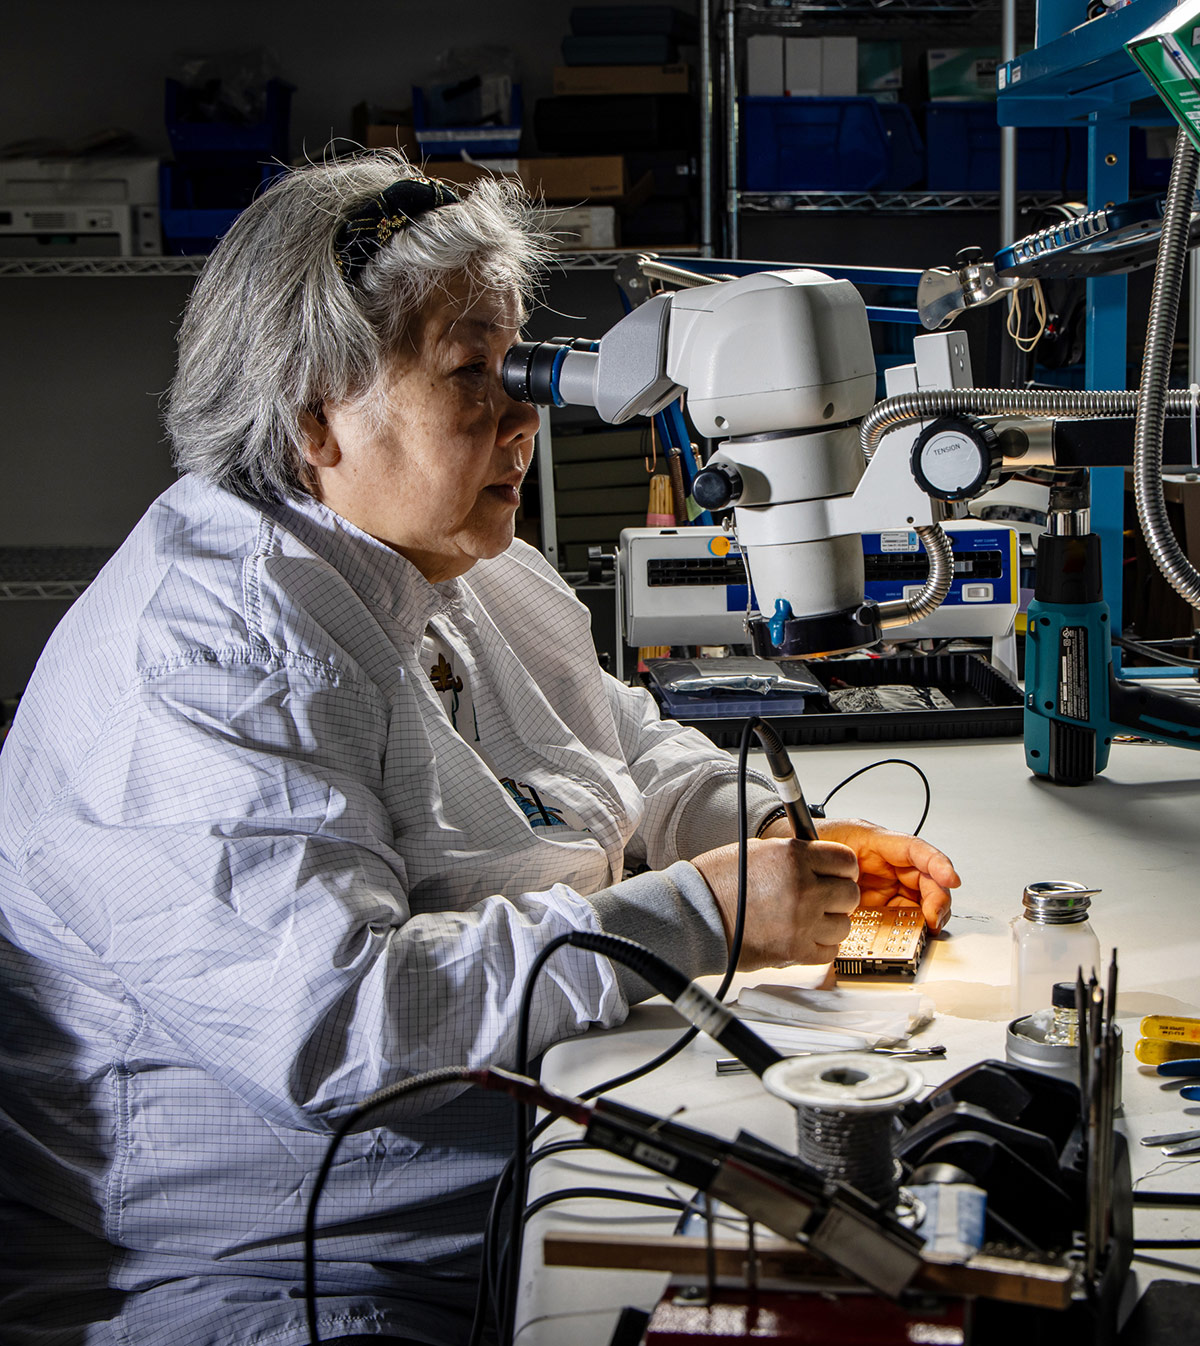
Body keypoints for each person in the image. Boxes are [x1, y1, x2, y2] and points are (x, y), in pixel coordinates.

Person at [0, 151, 959, 1346]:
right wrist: (702, 915)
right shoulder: (213, 657)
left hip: (505, 1191)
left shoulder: (457, 562)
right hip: (277, 1281)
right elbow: (343, 1024)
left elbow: (613, 736)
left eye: (522, 364)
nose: (526, 414)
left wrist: (769, 829)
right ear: (316, 415)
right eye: (474, 373)